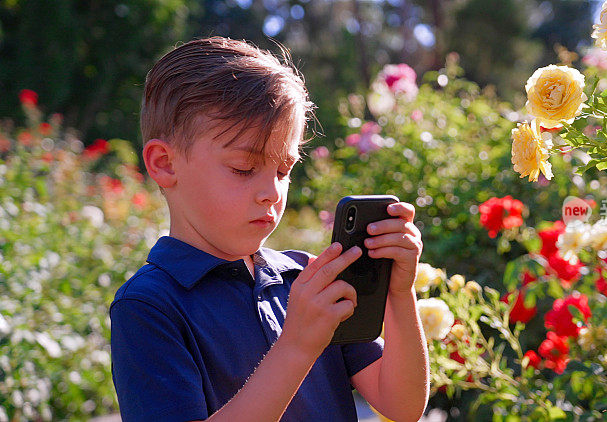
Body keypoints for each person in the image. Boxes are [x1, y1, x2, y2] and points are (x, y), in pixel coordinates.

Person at [109, 36, 429, 422]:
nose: (271, 192)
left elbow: (403, 406)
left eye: (283, 170)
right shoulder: (149, 306)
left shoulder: (307, 280)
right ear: (165, 164)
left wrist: (399, 292)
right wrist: (296, 346)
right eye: (244, 168)